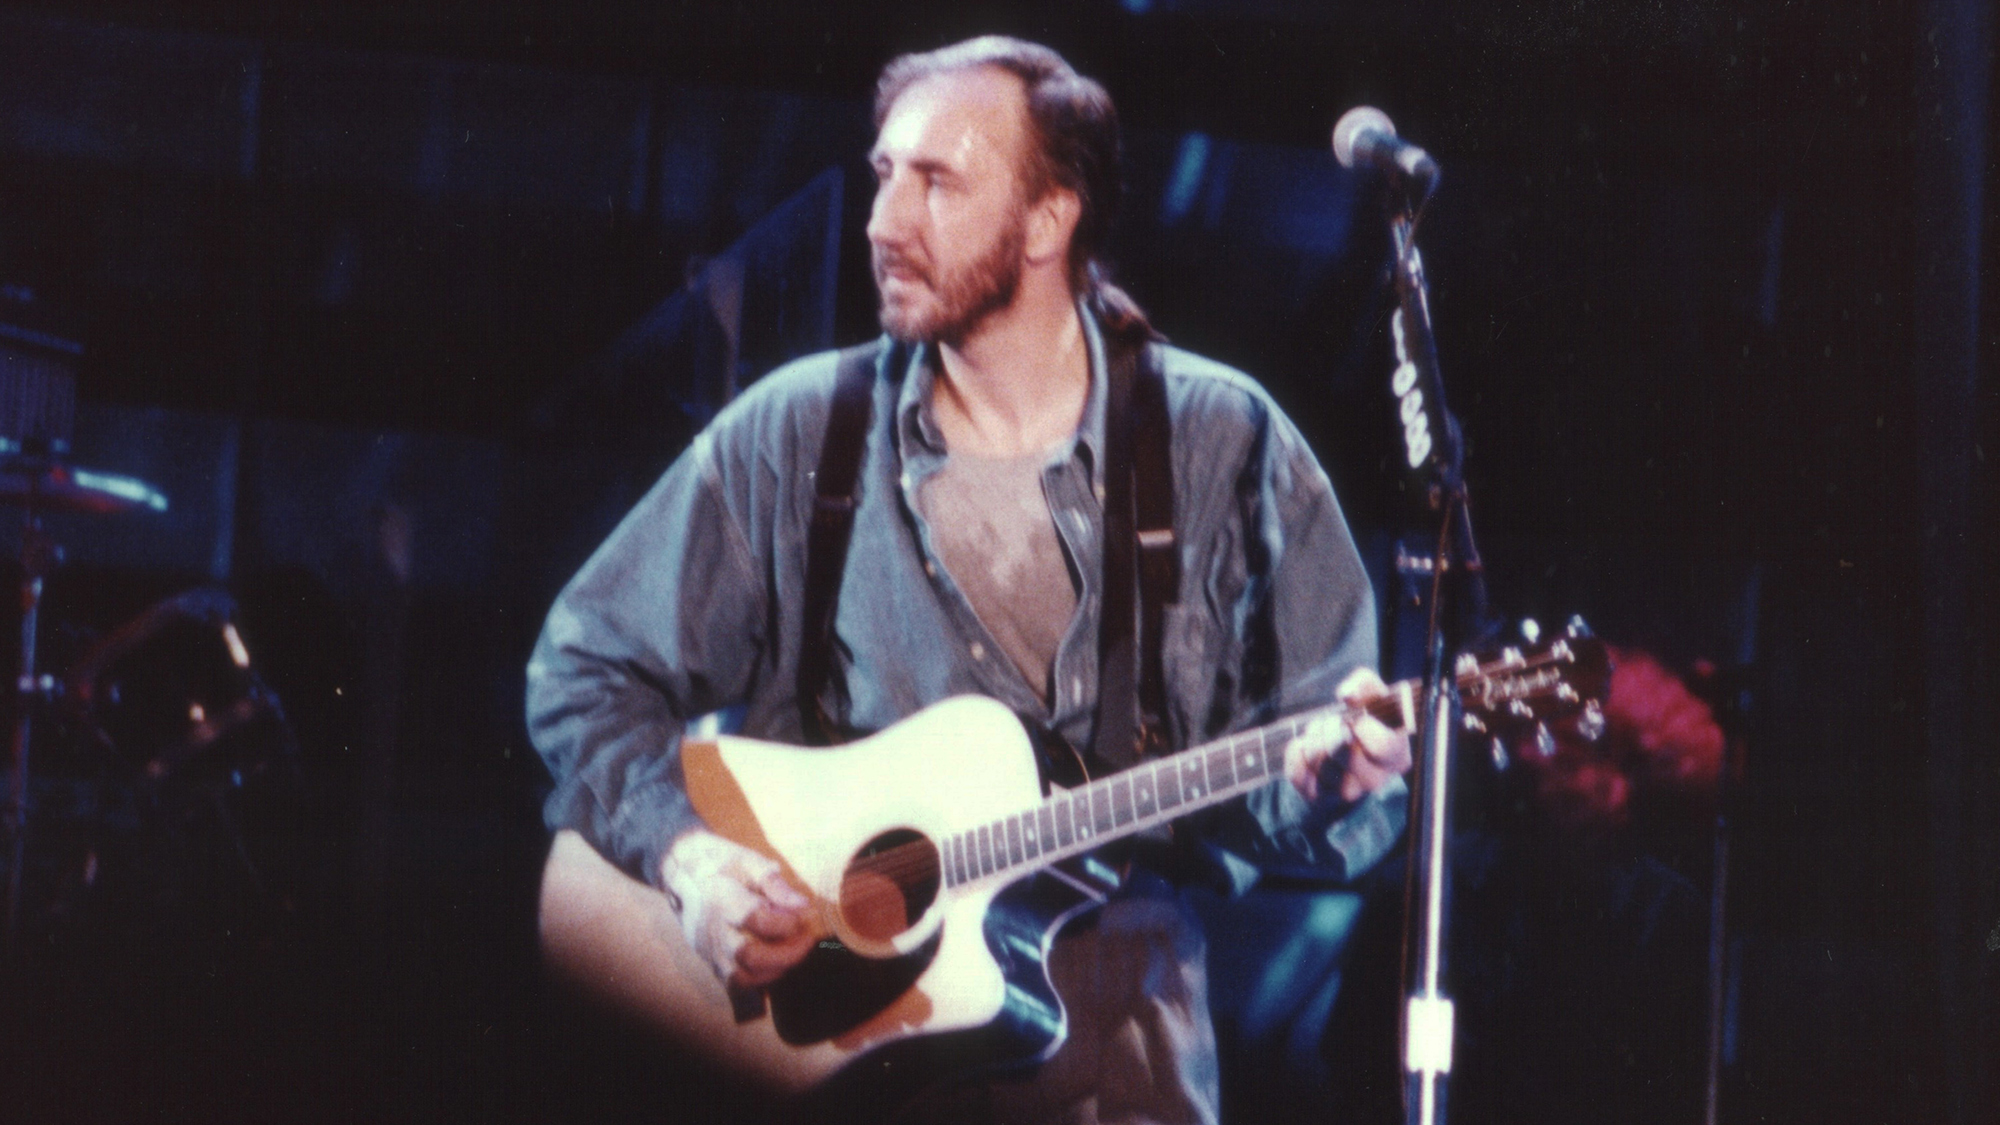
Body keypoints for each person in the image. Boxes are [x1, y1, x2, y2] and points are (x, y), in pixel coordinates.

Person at [527, 35, 1411, 1124]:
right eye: (883, 176)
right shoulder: (797, 429)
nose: (882, 223)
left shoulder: (1222, 443)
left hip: (1113, 1066)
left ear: (1049, 220)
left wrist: (1330, 786)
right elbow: (581, 673)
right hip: (840, 1065)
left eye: (936, 183)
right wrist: (689, 859)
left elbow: (1350, 792)